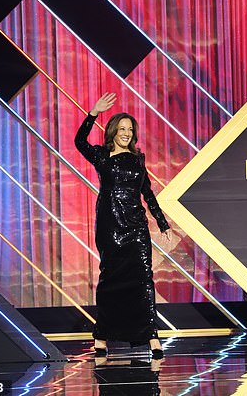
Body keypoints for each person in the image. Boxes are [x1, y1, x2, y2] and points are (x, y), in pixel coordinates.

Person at [75, 92, 172, 358]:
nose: (126, 133)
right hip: (110, 225)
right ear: (113, 131)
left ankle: (151, 336)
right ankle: (102, 335)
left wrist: (162, 223)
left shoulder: (138, 160)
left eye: (130, 129)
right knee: (110, 280)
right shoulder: (102, 156)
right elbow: (79, 141)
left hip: (136, 226)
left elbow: (148, 192)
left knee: (143, 279)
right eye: (122, 128)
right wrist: (93, 112)